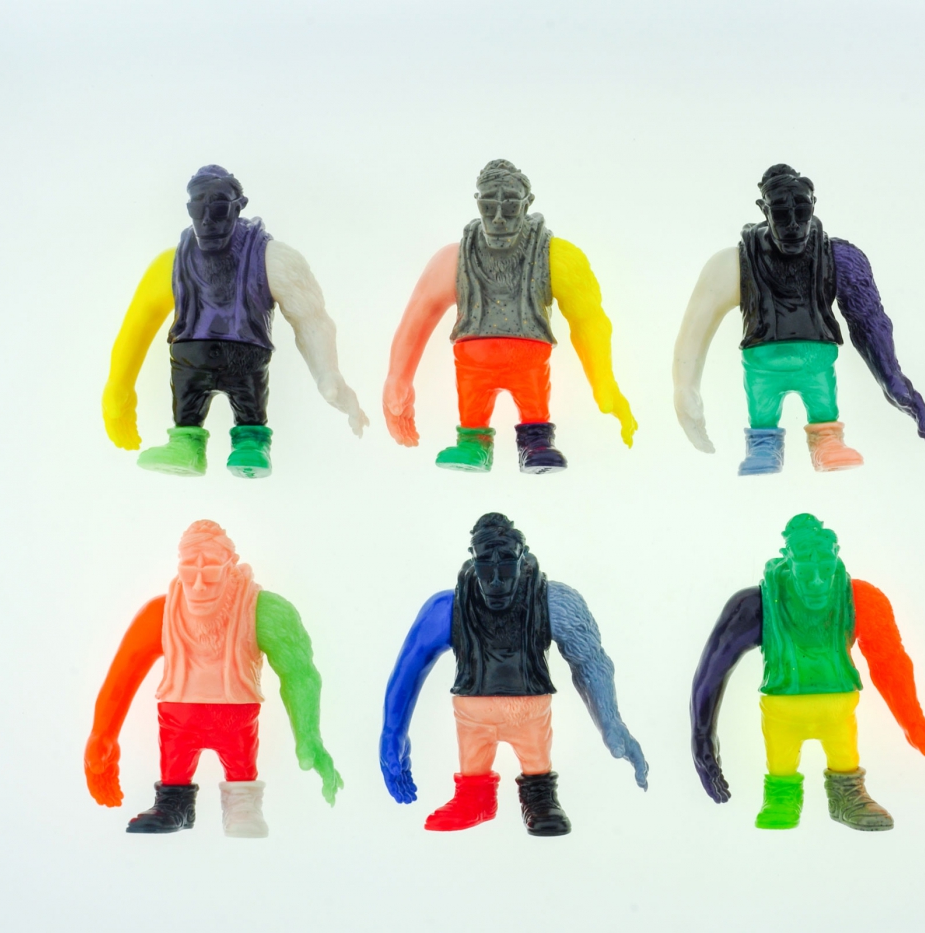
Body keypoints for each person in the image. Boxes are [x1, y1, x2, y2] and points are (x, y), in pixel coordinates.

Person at [380, 513, 647, 836]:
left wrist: (611, 723)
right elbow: (409, 668)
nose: (496, 581)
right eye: (485, 566)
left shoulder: (552, 601)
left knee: (536, 763)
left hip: (530, 717)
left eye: (506, 564)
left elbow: (590, 661)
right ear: (473, 559)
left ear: (522, 557)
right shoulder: (447, 607)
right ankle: (474, 799)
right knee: (473, 763)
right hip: (473, 720)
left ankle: (540, 799)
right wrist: (392, 734)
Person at [102, 165, 368, 478]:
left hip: (245, 359)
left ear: (238, 206)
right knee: (186, 411)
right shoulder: (173, 262)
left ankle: (252, 445)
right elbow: (141, 319)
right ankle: (186, 445)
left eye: (218, 207)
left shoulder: (271, 259)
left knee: (250, 414)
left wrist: (328, 374)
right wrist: (118, 384)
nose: (206, 220)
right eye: (197, 208)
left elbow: (311, 319)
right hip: (190, 362)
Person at [690, 514, 925, 830]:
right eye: (805, 571)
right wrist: (702, 736)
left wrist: (914, 722)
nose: (817, 582)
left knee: (844, 754)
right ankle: (781, 798)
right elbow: (714, 669)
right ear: (789, 562)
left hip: (838, 712)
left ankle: (847, 797)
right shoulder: (758, 604)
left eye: (825, 570)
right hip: (781, 714)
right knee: (781, 762)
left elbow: (890, 662)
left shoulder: (859, 599)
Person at [84, 521, 343, 837]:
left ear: (230, 566)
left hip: (236, 720)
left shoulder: (262, 611)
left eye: (209, 569)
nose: (198, 585)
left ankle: (243, 805)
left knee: (241, 767)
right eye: (189, 568)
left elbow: (299, 674)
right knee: (174, 765)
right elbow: (124, 673)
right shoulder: (160, 613)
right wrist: (103, 733)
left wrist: (308, 736)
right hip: (177, 722)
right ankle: (174, 805)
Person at [383, 160, 637, 473]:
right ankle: (473, 444)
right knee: (472, 408)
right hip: (472, 367)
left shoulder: (556, 256)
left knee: (534, 407)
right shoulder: (454, 259)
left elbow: (589, 321)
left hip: (529, 364)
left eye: (511, 205)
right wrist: (398, 377)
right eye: (489, 205)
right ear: (477, 202)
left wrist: (604, 381)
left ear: (527, 204)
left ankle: (536, 444)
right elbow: (419, 315)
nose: (499, 218)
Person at [673, 164, 925, 475]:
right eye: (781, 213)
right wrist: (684, 387)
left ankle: (827, 441)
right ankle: (763, 445)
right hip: (763, 368)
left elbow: (868, 319)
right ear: (763, 209)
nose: (793, 225)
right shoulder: (735, 262)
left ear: (813, 206)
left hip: (815, 365)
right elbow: (697, 325)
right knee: (762, 413)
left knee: (823, 407)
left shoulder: (838, 257)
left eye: (802, 211)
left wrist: (891, 376)